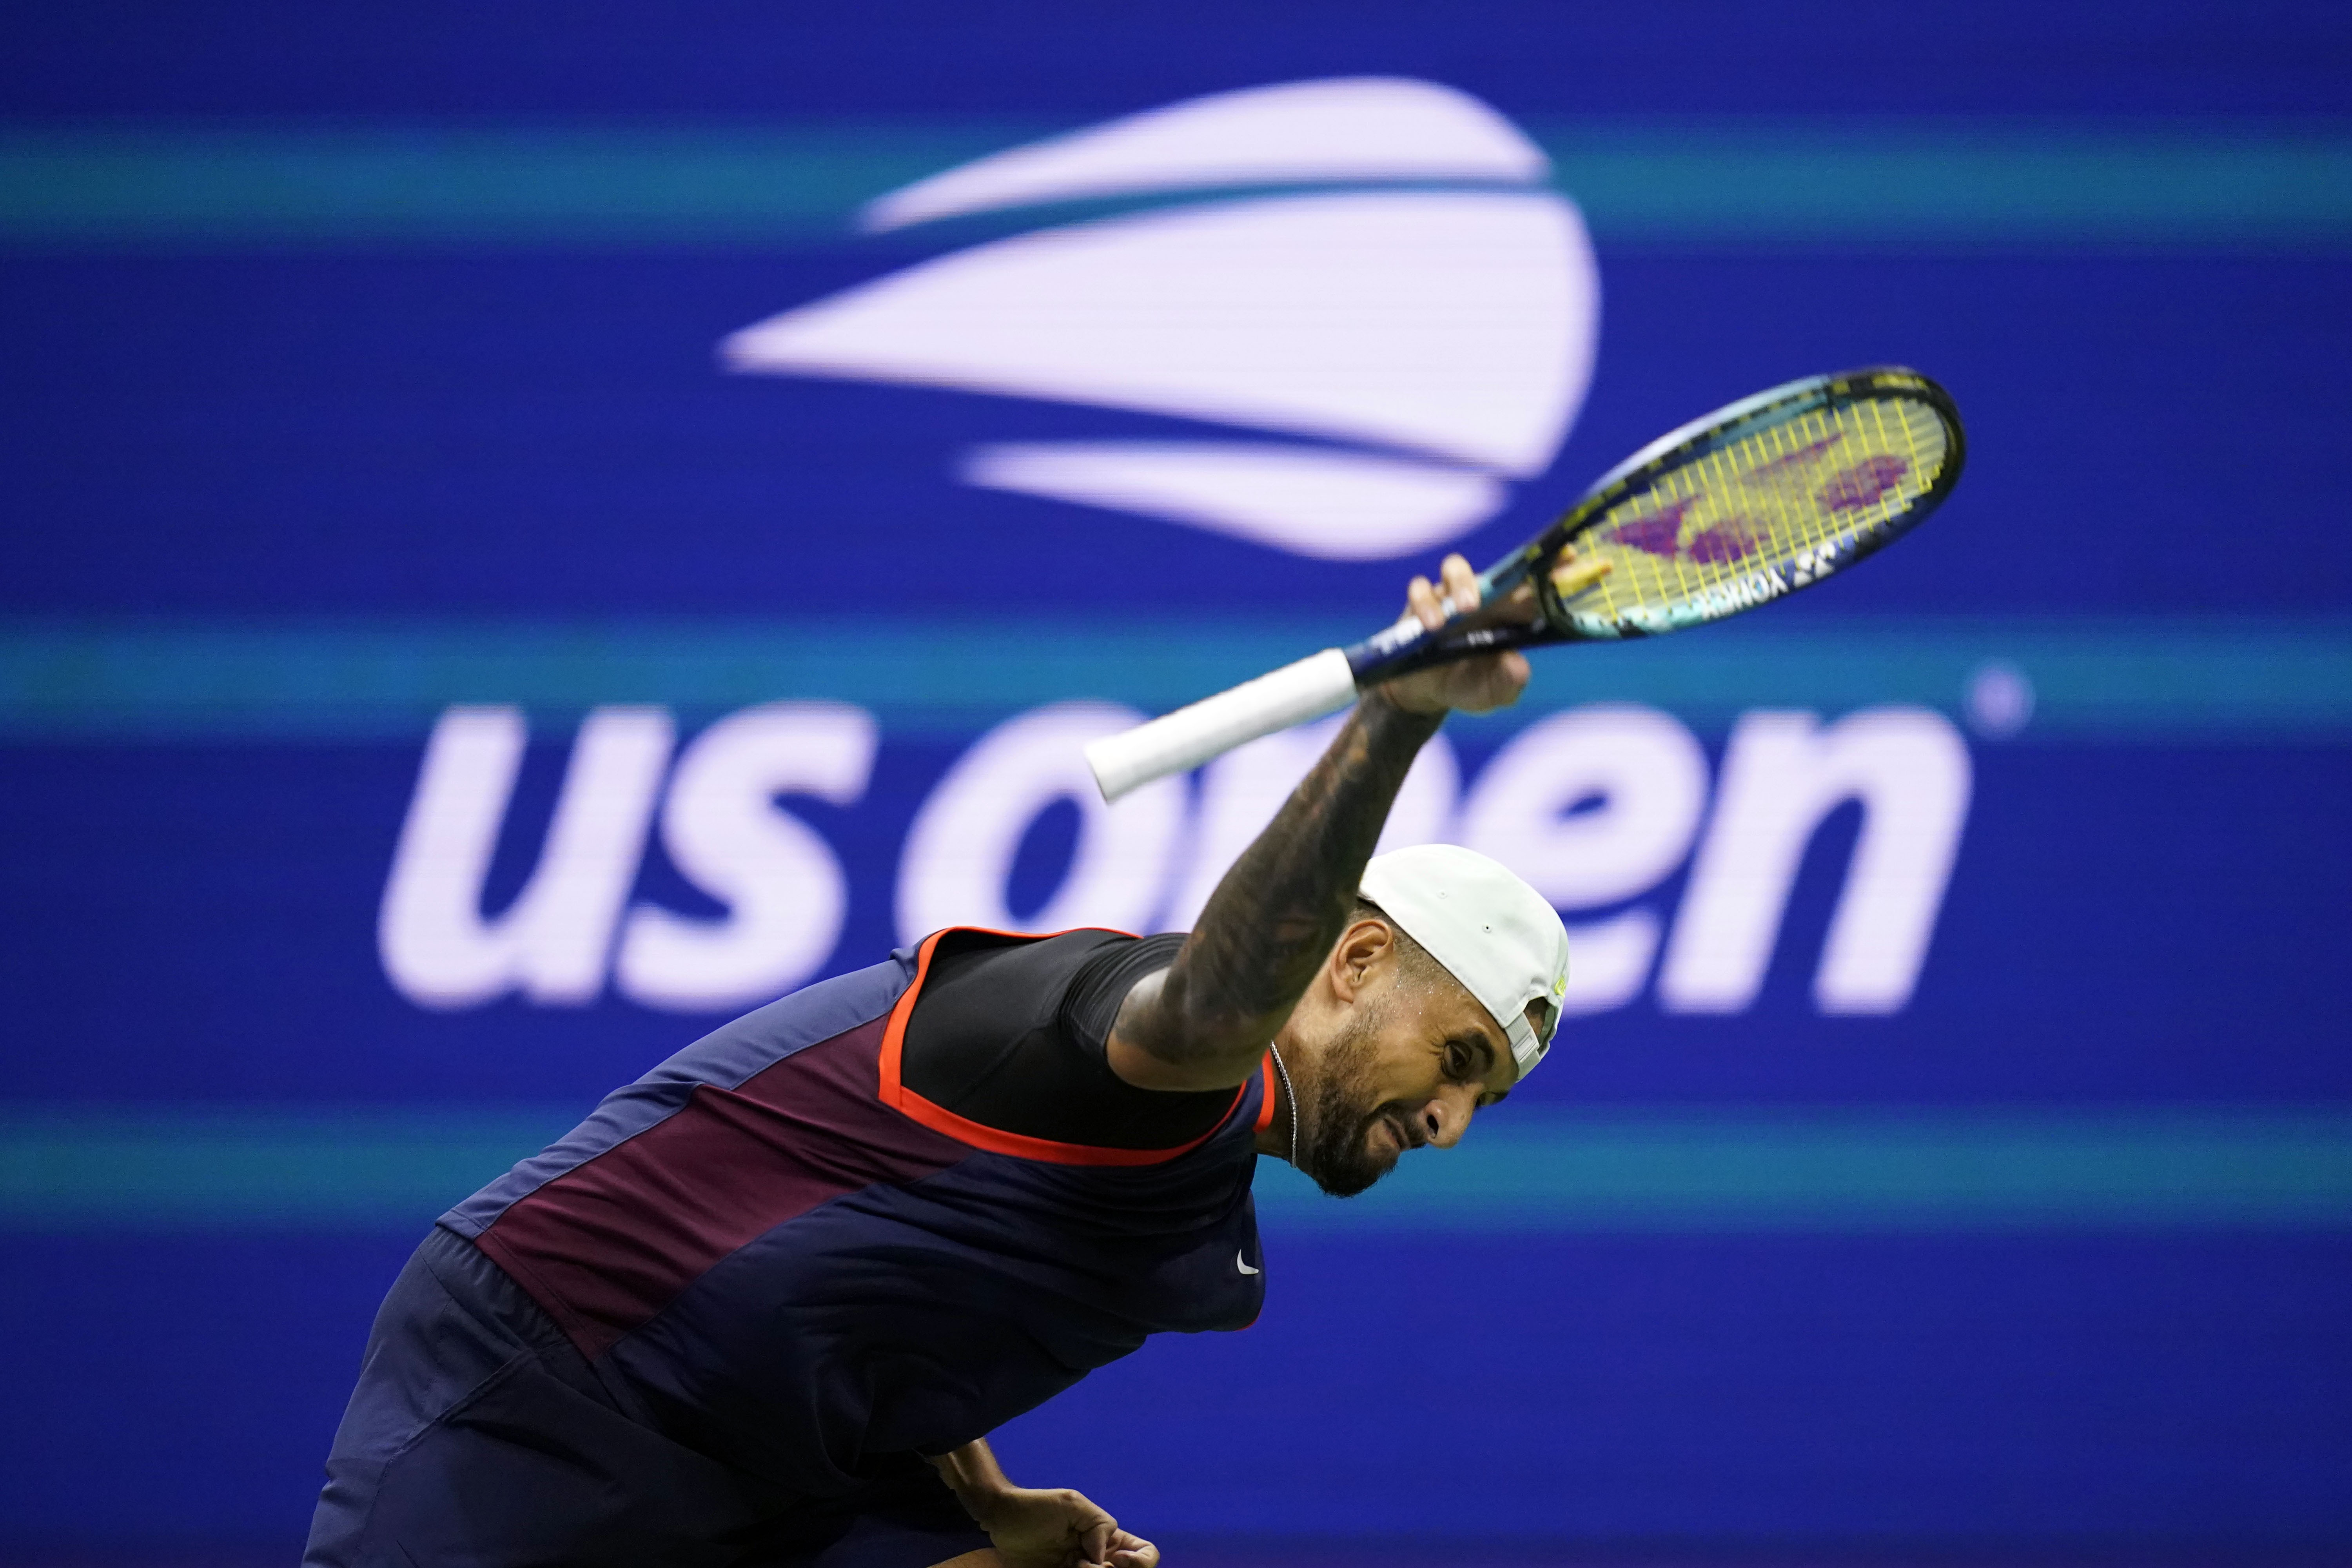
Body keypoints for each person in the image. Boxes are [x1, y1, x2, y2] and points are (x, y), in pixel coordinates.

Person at [305, 554, 1574, 1568]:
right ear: (1349, 963)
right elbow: (1216, 1002)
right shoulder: (1147, 1035)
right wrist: (1395, 725)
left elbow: (903, 1281)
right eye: (1456, 1057)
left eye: (1484, 1099)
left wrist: (983, 1499)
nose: (1452, 1119)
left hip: (753, 1461)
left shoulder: (1195, 1191)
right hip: (567, 1377)